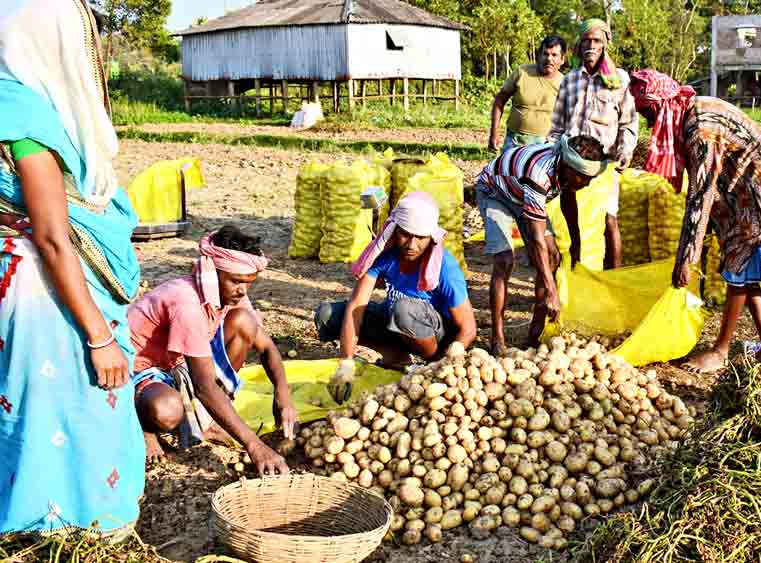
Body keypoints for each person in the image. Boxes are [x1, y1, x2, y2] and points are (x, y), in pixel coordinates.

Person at [0, 0, 145, 536]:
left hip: (8, 283)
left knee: (19, 409)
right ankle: (70, 526)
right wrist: (99, 333)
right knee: (75, 411)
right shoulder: (26, 116)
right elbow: (54, 239)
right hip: (43, 295)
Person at [629, 70, 761, 373]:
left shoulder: (699, 128)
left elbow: (701, 193)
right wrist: (698, 242)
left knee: (738, 268)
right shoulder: (693, 111)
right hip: (748, 193)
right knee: (742, 268)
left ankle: (721, 350)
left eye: (649, 113)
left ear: (662, 104)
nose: (649, 123)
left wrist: (686, 258)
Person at [129, 226, 295, 475]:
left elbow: (267, 347)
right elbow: (204, 386)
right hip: (137, 369)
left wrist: (283, 395)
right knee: (166, 410)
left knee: (244, 324)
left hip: (175, 360)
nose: (242, 291)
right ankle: (142, 426)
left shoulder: (228, 294)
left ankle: (208, 419)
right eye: (237, 281)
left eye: (248, 283)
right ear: (212, 272)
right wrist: (254, 445)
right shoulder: (187, 303)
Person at [316, 192, 476, 403]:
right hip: (398, 321)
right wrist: (346, 362)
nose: (411, 244)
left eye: (420, 238)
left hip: (438, 335)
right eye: (405, 235)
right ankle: (397, 358)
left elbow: (469, 327)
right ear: (395, 231)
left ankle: (429, 365)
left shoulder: (444, 267)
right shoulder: (385, 255)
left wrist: (451, 355)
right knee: (328, 315)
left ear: (431, 237)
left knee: (403, 309)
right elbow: (357, 306)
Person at [477, 135, 609, 355]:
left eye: (590, 178)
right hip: (495, 192)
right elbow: (536, 240)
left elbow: (568, 201)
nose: (587, 183)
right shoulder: (539, 175)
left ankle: (534, 335)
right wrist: (552, 291)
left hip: (522, 194)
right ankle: (497, 338)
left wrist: (576, 243)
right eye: (583, 178)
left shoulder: (565, 172)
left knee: (553, 256)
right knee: (504, 259)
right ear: (568, 167)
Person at [548, 19, 639, 271]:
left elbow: (629, 121)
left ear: (605, 45)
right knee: (570, 222)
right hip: (571, 165)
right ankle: (575, 270)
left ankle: (613, 277)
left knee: (609, 222)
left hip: (603, 164)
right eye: (586, 40)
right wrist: (550, 152)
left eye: (597, 41)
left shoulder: (618, 79)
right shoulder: (570, 80)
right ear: (579, 44)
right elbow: (557, 124)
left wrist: (625, 151)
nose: (591, 45)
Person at [488, 36, 567, 152]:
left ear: (562, 59)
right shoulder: (522, 72)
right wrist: (494, 132)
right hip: (514, 141)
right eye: (545, 54)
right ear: (539, 55)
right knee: (508, 169)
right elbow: (500, 100)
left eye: (554, 55)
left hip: (546, 145)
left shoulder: (564, 83)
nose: (549, 58)